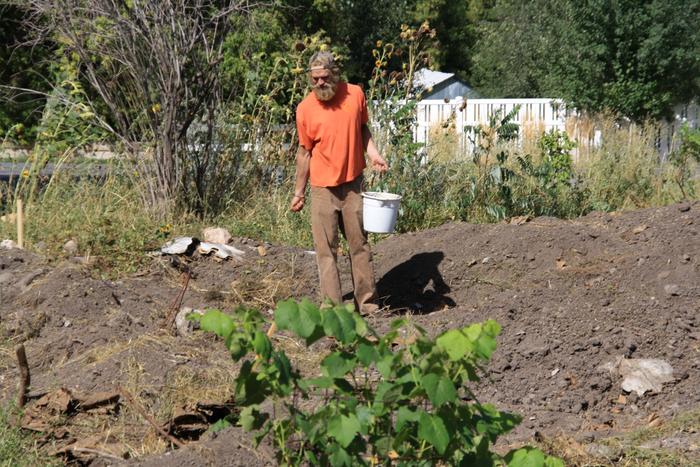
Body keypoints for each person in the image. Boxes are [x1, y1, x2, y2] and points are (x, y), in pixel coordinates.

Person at [290, 50, 389, 314]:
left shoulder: (355, 94)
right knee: (326, 252)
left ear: (335, 74)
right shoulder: (305, 109)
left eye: (324, 78)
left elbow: (362, 129)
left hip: (354, 185)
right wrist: (299, 193)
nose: (320, 84)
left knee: (360, 245)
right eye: (314, 80)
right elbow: (304, 153)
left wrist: (374, 153)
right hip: (322, 189)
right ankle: (333, 311)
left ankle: (367, 305)